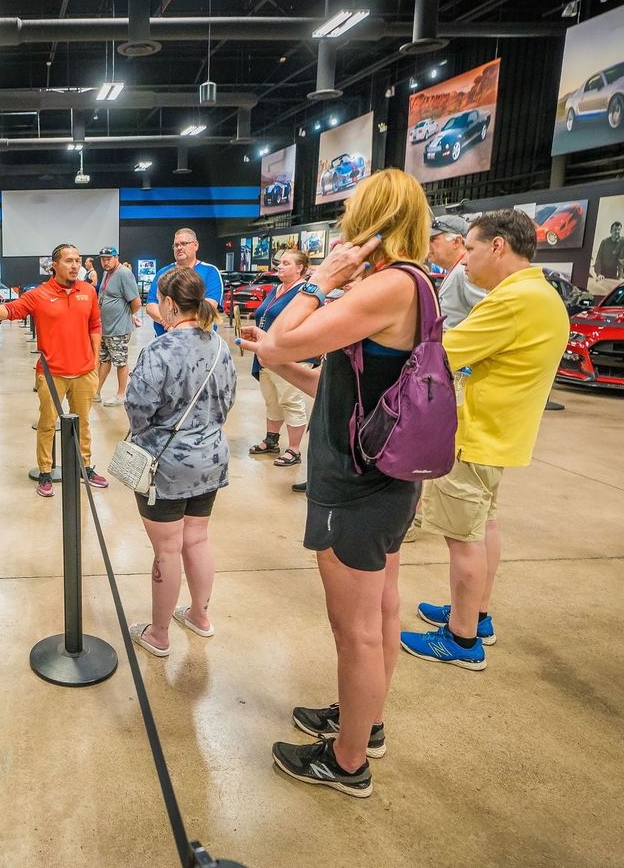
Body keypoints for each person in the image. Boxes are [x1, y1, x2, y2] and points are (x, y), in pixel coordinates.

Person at [237, 168, 432, 798]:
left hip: (357, 482)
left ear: (372, 220)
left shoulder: (389, 287)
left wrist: (319, 281)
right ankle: (363, 723)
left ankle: (348, 762)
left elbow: (278, 343)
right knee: (379, 614)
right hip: (379, 472)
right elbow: (343, 392)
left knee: (357, 631)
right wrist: (285, 357)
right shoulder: (408, 285)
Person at [400, 209, 569, 670]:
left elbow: (443, 355)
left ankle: (462, 638)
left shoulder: (511, 300)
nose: (465, 261)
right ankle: (475, 613)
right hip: (501, 433)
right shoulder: (540, 293)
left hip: (474, 433)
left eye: (470, 250)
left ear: (498, 246)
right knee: (483, 528)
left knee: (462, 540)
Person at [124, 267, 236, 657]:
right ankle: (200, 616)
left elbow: (138, 409)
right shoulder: (221, 345)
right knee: (198, 538)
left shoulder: (158, 351)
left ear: (170, 305)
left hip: (166, 466)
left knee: (167, 550)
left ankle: (158, 634)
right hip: (211, 458)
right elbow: (228, 400)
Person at [0, 244, 109, 497]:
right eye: (69, 261)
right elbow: (11, 309)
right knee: (47, 424)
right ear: (54, 265)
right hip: (51, 375)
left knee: (83, 424)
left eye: (78, 261)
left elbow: (95, 325)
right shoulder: (40, 294)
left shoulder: (88, 291)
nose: (75, 266)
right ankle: (46, 472)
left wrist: (94, 362)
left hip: (83, 372)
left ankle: (85, 467)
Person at [247, 249, 315, 468]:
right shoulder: (277, 289)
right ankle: (271, 440)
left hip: (291, 356)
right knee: (271, 399)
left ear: (301, 268)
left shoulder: (305, 292)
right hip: (266, 354)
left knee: (290, 400)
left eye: (286, 263)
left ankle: (294, 449)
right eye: (280, 263)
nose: (280, 266)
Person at [146, 228, 223, 335]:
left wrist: (180, 327)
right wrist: (168, 324)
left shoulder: (210, 272)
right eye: (176, 245)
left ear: (195, 245)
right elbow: (151, 306)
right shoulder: (163, 273)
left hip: (200, 340)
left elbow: (209, 306)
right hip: (165, 340)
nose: (179, 248)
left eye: (183, 244)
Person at [93, 246, 142, 406]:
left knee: (120, 361)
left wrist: (128, 316)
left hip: (118, 329)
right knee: (104, 360)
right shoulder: (107, 273)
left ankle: (121, 394)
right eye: (103, 259)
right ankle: (96, 392)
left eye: (108, 259)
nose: (105, 262)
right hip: (105, 328)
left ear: (116, 257)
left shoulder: (124, 274)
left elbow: (136, 302)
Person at [427, 214, 486, 329]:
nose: (427, 245)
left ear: (456, 242)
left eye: (433, 239)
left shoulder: (465, 271)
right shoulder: (458, 269)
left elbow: (486, 314)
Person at [593, 220, 624, 285]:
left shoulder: (623, 241)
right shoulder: (604, 242)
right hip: (603, 274)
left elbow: (622, 259)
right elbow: (599, 258)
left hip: (615, 274)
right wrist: (599, 273)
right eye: (615, 229)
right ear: (611, 231)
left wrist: (619, 275)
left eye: (619, 230)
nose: (617, 232)